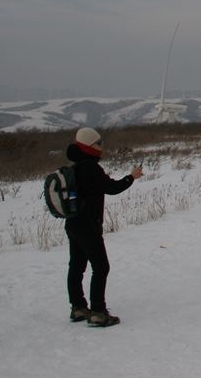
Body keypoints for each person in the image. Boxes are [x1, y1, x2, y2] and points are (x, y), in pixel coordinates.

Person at [64, 127, 142, 327]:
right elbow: (112, 188)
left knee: (77, 266)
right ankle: (98, 312)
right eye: (98, 143)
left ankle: (78, 307)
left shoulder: (74, 167)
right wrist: (131, 177)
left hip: (73, 223)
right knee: (101, 266)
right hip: (88, 225)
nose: (101, 147)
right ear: (89, 146)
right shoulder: (90, 168)